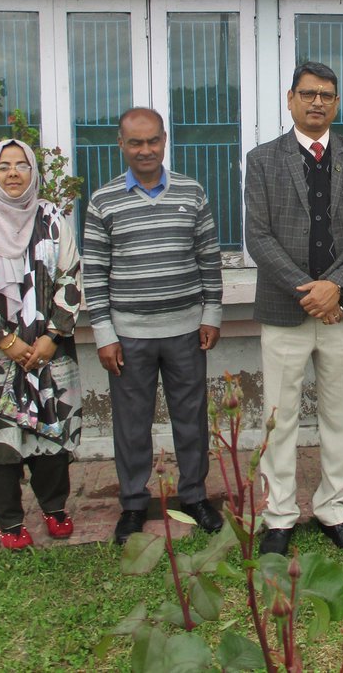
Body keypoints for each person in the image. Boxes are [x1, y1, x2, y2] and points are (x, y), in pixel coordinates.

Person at [245, 62, 343, 556]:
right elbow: (257, 236)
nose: (317, 102)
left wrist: (338, 288)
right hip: (286, 311)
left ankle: (333, 508)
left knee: (340, 415)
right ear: (290, 99)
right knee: (278, 418)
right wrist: (312, 291)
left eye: (326, 95)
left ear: (337, 103)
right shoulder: (262, 159)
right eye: (308, 94)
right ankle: (279, 517)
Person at [83, 108, 224, 544]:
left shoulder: (192, 192)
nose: (145, 150)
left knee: (191, 420)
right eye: (135, 142)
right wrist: (104, 333)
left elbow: (209, 258)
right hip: (128, 336)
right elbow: (93, 273)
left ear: (165, 140)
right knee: (130, 424)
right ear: (121, 145)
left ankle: (195, 496)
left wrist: (212, 314)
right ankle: (132, 503)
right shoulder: (103, 201)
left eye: (153, 141)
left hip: (185, 331)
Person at [0, 139, 82, 550]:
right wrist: (5, 340)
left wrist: (52, 336)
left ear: (33, 172)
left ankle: (54, 507)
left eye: (21, 165)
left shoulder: (53, 219)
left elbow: (71, 276)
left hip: (46, 349)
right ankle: (8, 520)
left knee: (50, 431)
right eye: (3, 166)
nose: (12, 173)